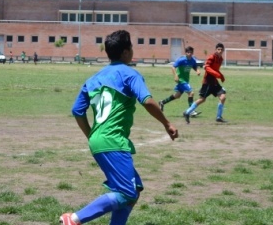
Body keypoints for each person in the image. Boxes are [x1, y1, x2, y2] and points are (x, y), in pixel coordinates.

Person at [59, 30, 178, 225]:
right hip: (113, 140)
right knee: (125, 193)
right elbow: (147, 101)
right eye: (131, 47)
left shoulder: (93, 79)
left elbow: (77, 111)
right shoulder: (130, 74)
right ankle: (73, 219)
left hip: (98, 140)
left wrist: (91, 135)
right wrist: (167, 123)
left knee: (135, 189)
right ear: (125, 52)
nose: (132, 50)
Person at [183, 43, 227, 124]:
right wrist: (217, 74)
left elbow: (216, 69)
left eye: (221, 49)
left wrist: (221, 75)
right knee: (202, 99)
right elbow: (207, 67)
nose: (220, 51)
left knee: (223, 97)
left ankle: (218, 117)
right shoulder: (212, 57)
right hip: (207, 82)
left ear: (223, 50)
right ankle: (187, 112)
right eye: (218, 49)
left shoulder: (221, 59)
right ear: (216, 50)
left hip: (214, 82)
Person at [158, 46, 201, 116]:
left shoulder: (192, 60)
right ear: (186, 53)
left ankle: (162, 102)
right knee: (191, 93)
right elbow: (173, 67)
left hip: (186, 80)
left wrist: (197, 70)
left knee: (177, 95)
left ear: (192, 53)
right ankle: (191, 111)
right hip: (181, 80)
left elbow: (194, 66)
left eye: (191, 52)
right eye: (188, 52)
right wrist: (175, 75)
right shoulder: (181, 60)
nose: (189, 54)